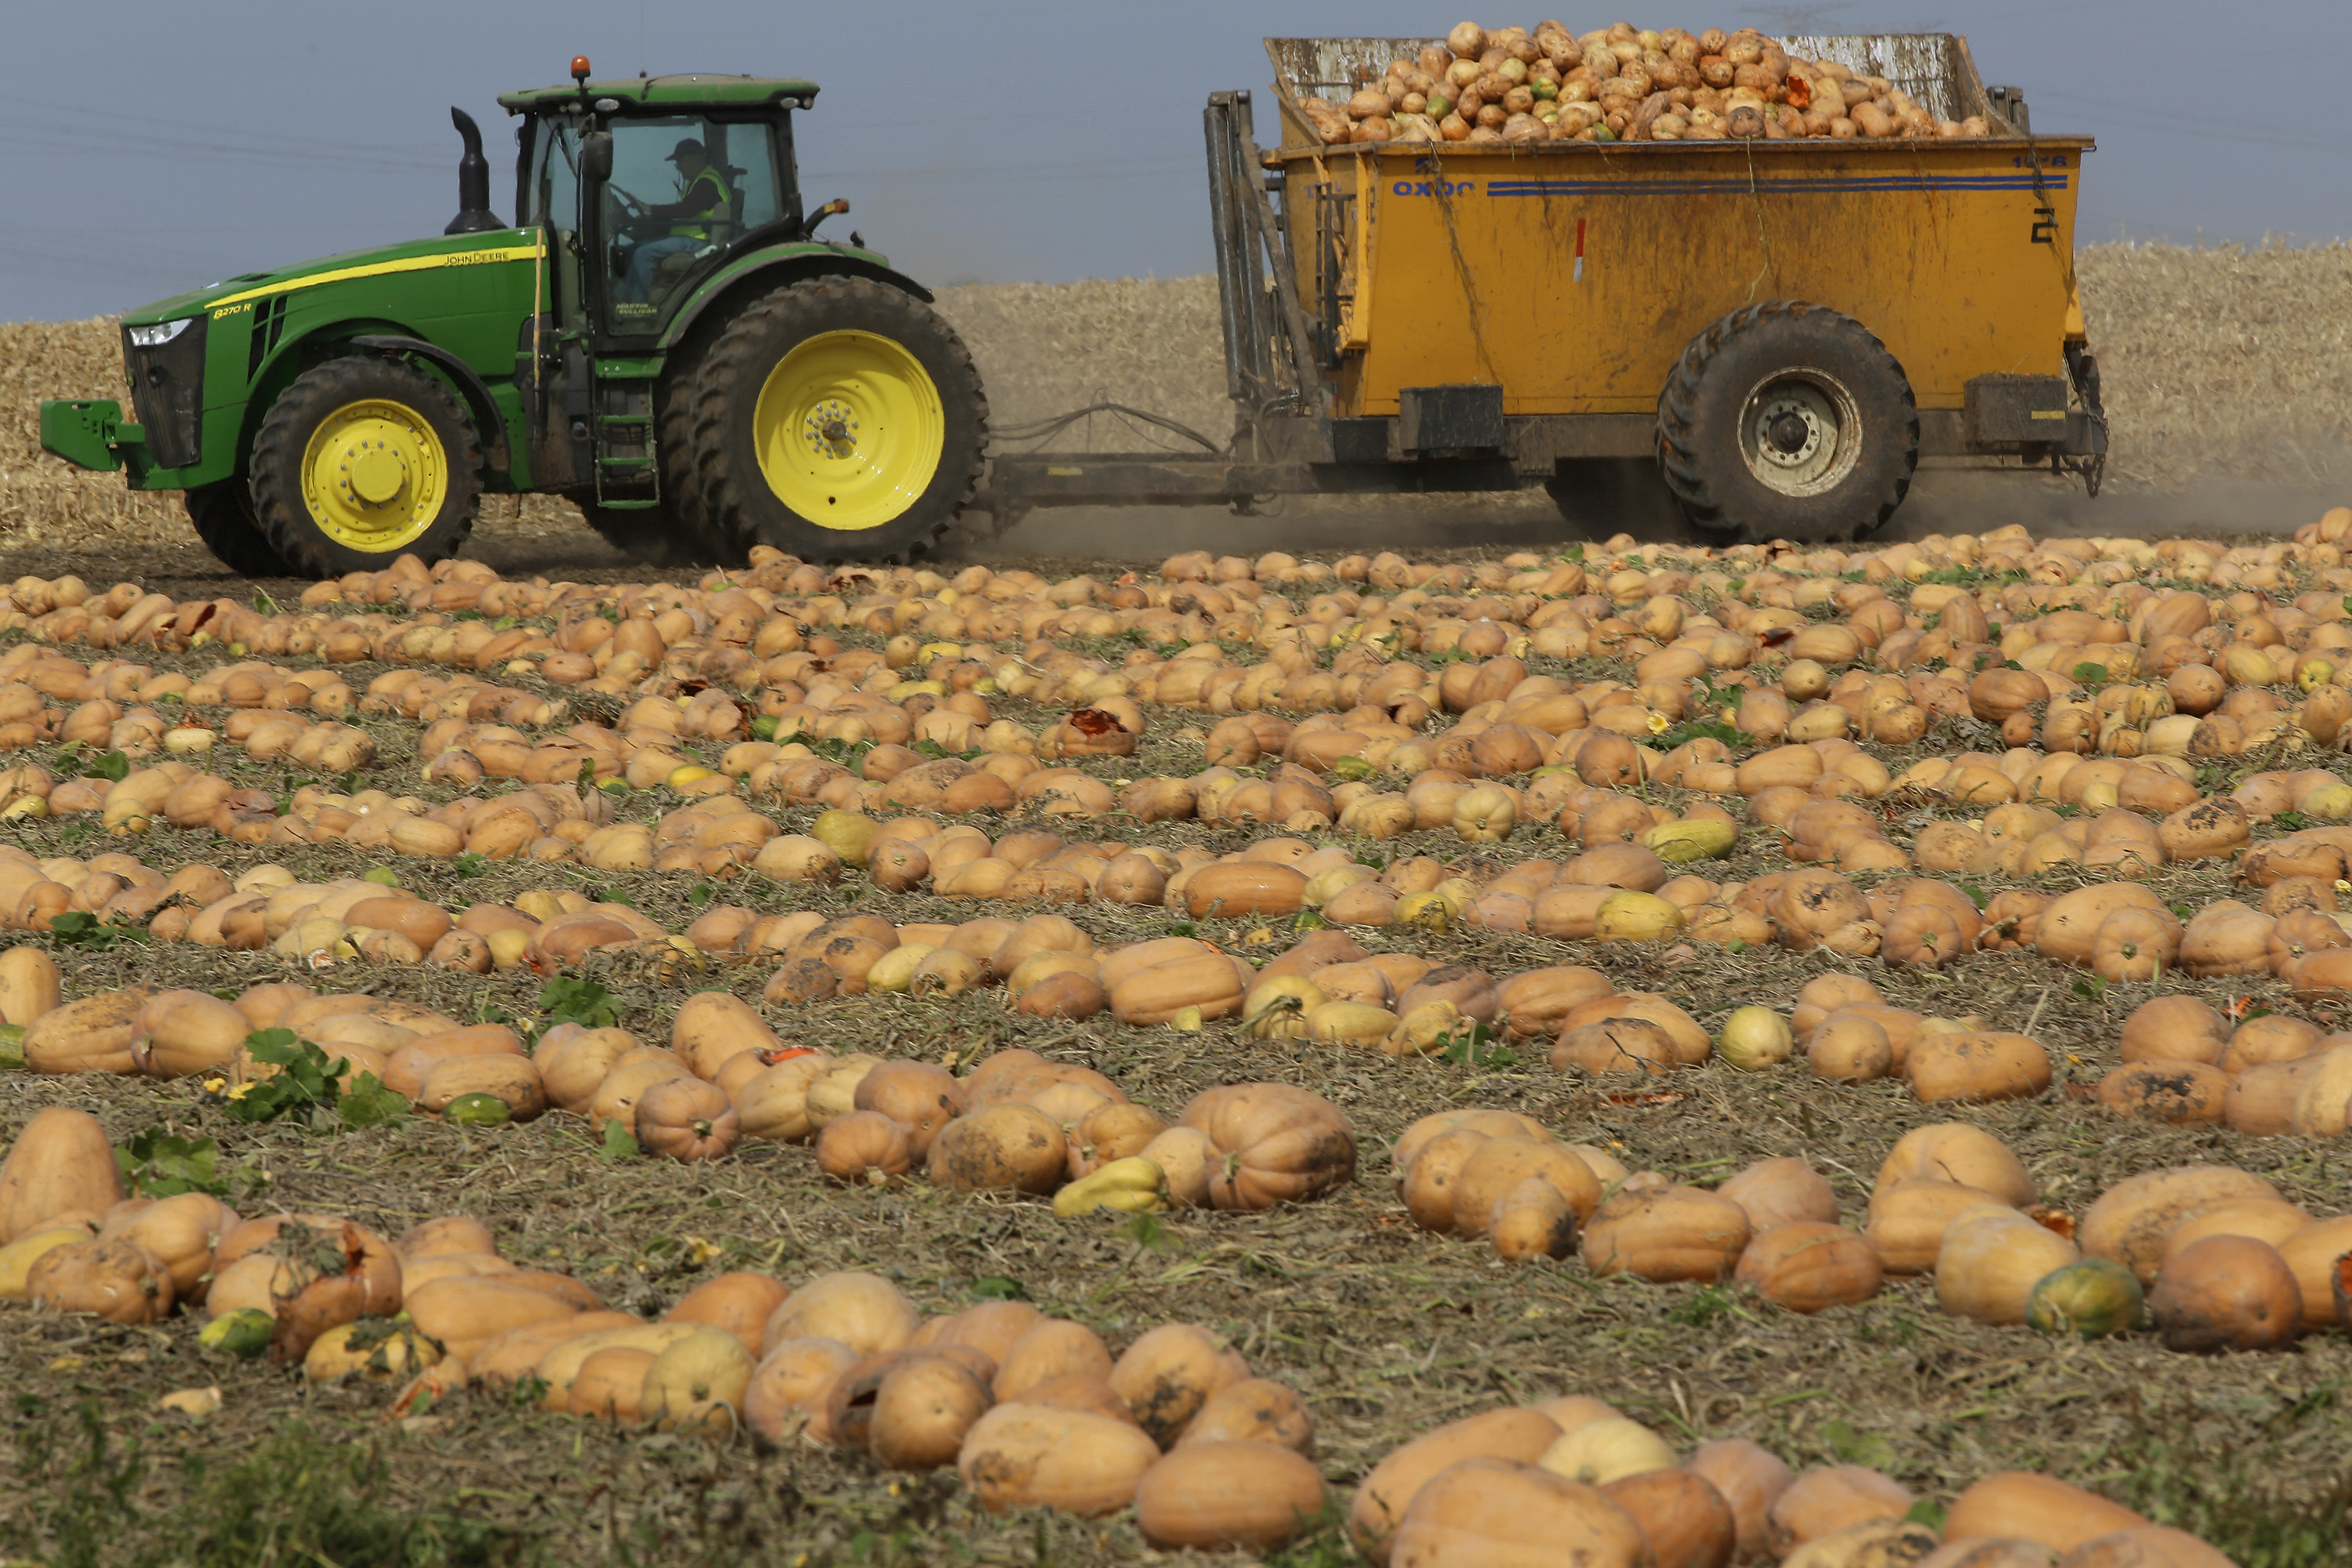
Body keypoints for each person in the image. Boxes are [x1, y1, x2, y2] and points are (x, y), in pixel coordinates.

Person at [619, 139, 730, 301]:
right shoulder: (700, 181)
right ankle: (626, 300)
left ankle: (643, 305)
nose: (677, 166)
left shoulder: (707, 182)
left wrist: (649, 208)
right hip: (687, 238)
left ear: (693, 159)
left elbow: (686, 210)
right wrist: (648, 217)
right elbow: (683, 211)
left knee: (643, 254)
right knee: (633, 249)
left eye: (679, 161)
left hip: (697, 240)